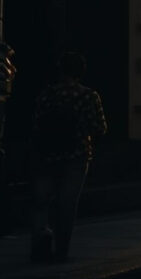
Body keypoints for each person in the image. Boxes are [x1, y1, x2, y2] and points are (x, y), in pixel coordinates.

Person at [30, 52, 107, 263]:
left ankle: (40, 238)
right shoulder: (88, 96)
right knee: (67, 204)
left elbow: (37, 125)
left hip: (47, 156)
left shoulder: (47, 95)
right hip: (76, 156)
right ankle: (61, 250)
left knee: (41, 201)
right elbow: (99, 128)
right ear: (81, 72)